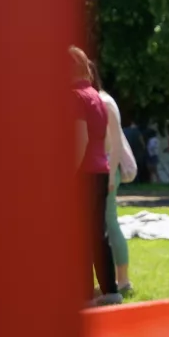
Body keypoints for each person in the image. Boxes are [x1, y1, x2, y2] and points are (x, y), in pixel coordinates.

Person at [69, 46, 121, 306]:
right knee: (98, 234)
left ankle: (83, 294)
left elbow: (80, 138)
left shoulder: (75, 97)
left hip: (83, 173)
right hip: (100, 170)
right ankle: (110, 290)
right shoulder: (95, 96)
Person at [89, 61, 138, 296]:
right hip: (106, 167)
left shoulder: (103, 102)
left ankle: (123, 280)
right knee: (107, 224)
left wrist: (109, 176)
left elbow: (115, 144)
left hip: (107, 168)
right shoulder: (99, 100)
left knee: (110, 224)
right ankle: (117, 280)